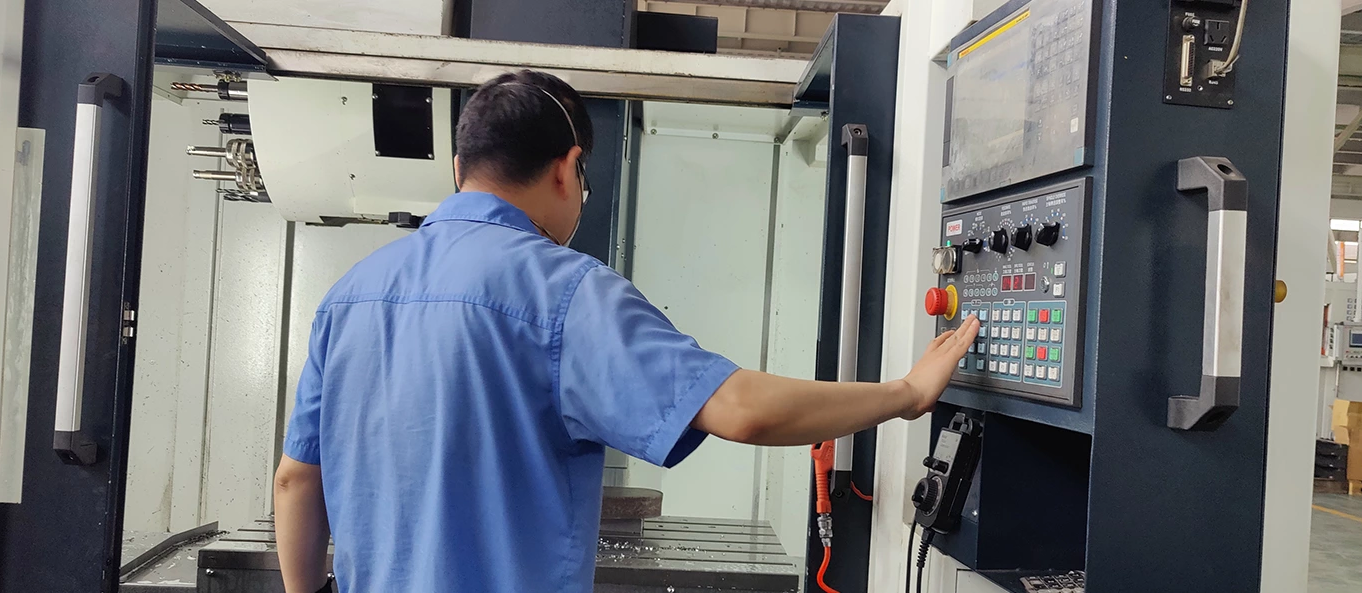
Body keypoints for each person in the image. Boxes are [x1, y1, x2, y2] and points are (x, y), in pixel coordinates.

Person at [272, 70, 981, 593]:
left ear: (459, 169)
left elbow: (297, 479)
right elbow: (740, 408)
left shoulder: (349, 296)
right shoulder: (564, 290)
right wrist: (906, 393)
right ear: (568, 169)